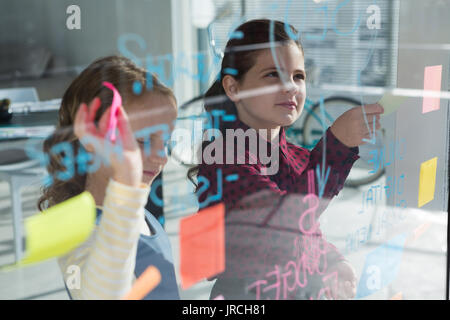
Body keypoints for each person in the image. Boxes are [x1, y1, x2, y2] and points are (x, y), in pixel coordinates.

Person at [188, 19, 384, 300]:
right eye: (272, 75)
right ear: (234, 88)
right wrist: (336, 147)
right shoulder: (224, 158)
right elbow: (286, 221)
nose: (291, 87)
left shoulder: (297, 156)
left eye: (298, 76)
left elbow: (307, 234)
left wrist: (333, 262)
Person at [38, 56, 179, 300]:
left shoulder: (141, 214)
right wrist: (127, 179)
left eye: (165, 142)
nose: (162, 157)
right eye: (143, 140)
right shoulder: (78, 232)